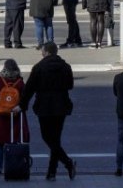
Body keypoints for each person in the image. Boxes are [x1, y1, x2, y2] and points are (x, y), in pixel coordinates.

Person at [20, 42, 76, 181]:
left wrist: (22, 105)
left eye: (42, 51)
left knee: (48, 138)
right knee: (55, 139)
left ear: (46, 52)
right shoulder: (65, 66)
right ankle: (52, 172)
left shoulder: (39, 67)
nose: (41, 53)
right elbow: (70, 85)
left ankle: (67, 164)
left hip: (44, 106)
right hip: (61, 106)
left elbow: (29, 89)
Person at [0, 59, 28, 176]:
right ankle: (12, 165)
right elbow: (24, 102)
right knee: (13, 142)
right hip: (15, 118)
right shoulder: (20, 82)